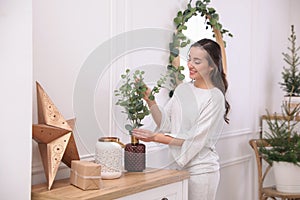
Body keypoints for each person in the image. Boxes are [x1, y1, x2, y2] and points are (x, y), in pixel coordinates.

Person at [132, 38, 230, 200]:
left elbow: (193, 139)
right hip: (177, 169)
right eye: (190, 59)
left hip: (202, 172)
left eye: (197, 61)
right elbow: (166, 124)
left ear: (212, 66)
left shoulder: (215, 98)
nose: (190, 65)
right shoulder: (183, 89)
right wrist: (151, 101)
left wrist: (155, 137)